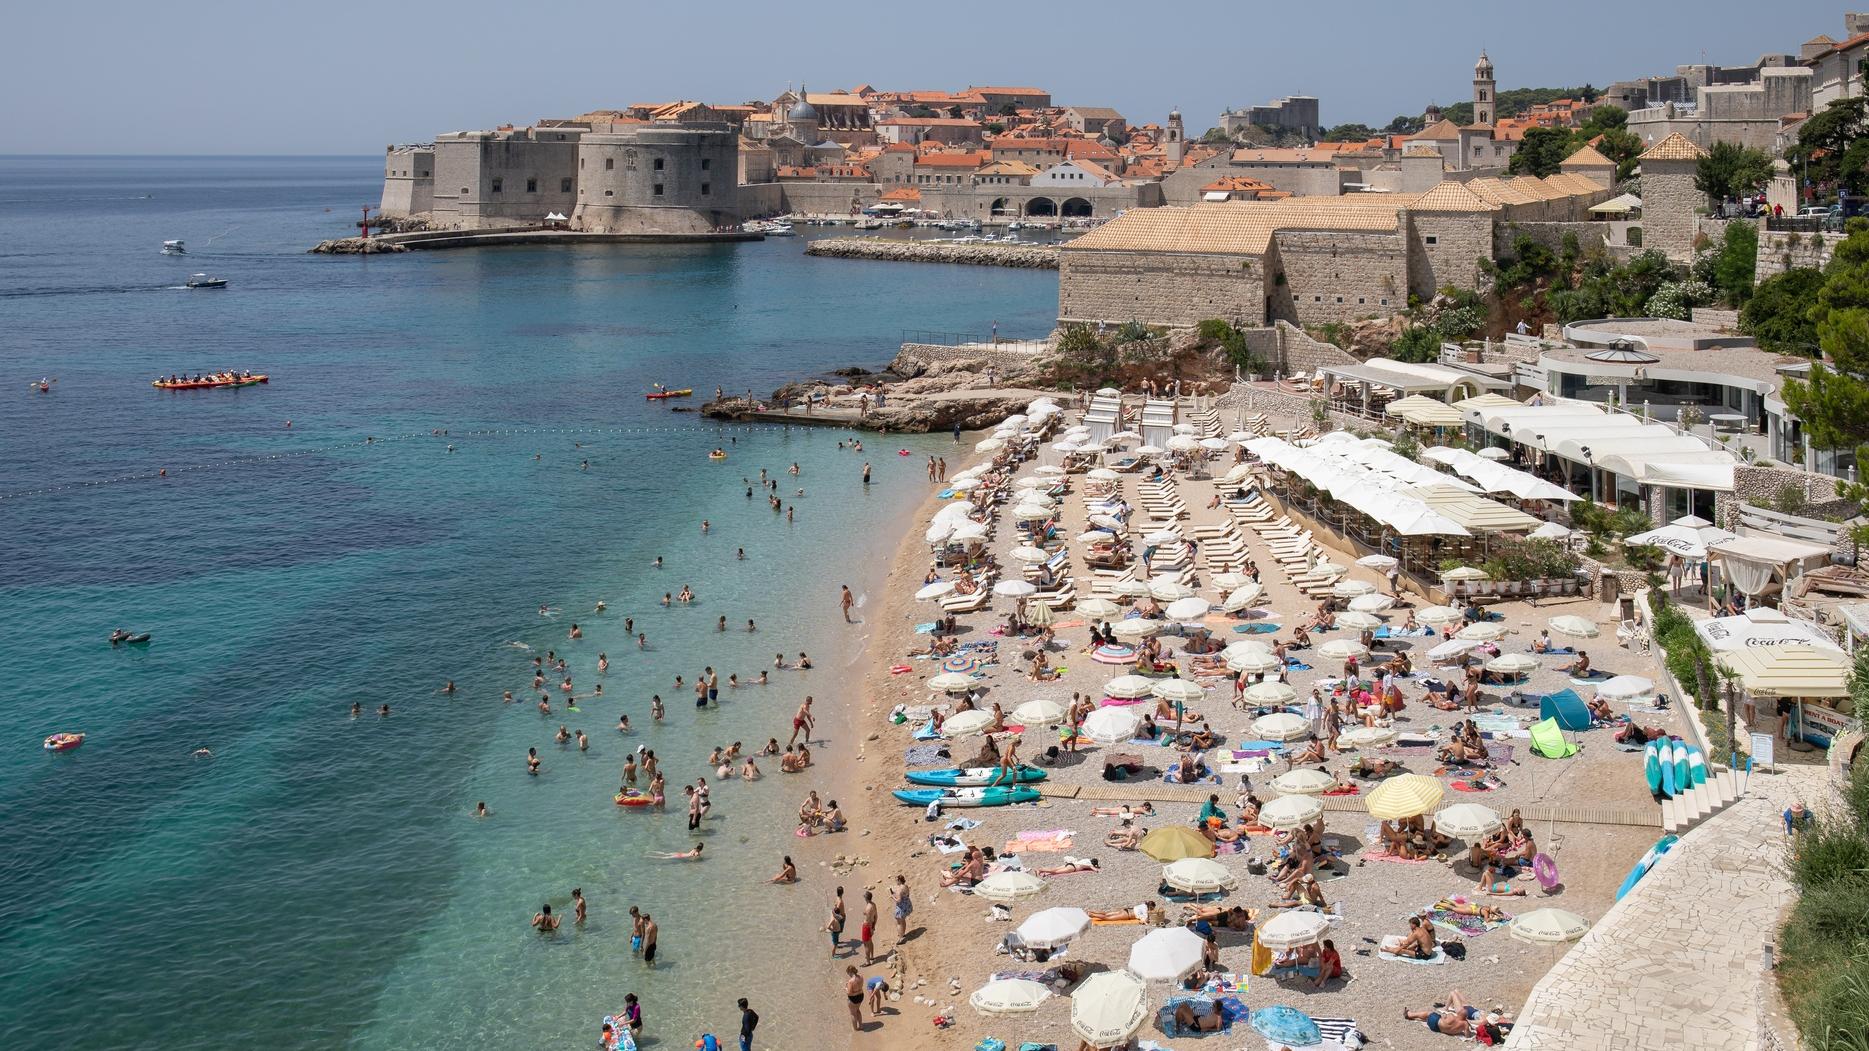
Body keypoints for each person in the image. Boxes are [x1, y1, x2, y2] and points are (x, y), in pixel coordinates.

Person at [1405, 990, 1480, 1036]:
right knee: (1431, 1017)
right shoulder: (1465, 1024)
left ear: (1458, 1013)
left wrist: (1444, 1014)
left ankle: (1410, 1014)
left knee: (1429, 1014)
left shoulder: (1451, 1016)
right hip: (1437, 1030)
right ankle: (1417, 1016)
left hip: (1434, 1024)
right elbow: (1467, 1035)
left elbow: (1443, 1017)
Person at [826, 887, 847, 957]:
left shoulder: (837, 898)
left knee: (838, 931)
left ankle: (836, 942)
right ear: (842, 892)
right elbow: (837, 909)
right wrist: (839, 917)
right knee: (839, 930)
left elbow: (835, 906)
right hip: (841, 917)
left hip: (839, 917)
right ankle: (836, 944)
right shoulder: (840, 901)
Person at [890, 874, 913, 938]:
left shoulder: (900, 889)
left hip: (901, 907)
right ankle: (903, 933)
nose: (896, 882)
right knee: (903, 920)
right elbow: (907, 895)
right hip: (907, 904)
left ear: (899, 880)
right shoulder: (905, 886)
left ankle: (901, 937)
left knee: (899, 922)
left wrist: (893, 897)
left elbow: (899, 900)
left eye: (897, 880)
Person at [860, 890, 878, 964]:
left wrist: (870, 929)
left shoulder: (868, 908)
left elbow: (868, 920)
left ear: (866, 898)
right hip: (872, 925)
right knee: (870, 941)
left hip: (867, 927)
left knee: (866, 944)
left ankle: (867, 961)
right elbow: (876, 916)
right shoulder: (873, 904)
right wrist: (873, 926)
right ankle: (871, 956)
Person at [844, 966, 864, 1031]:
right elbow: (860, 986)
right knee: (857, 1010)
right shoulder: (861, 976)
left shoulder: (850, 981)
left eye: (848, 973)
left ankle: (855, 1029)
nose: (848, 975)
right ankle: (861, 1026)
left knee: (853, 1014)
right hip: (861, 996)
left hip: (853, 999)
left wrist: (846, 988)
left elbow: (849, 993)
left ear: (850, 972)